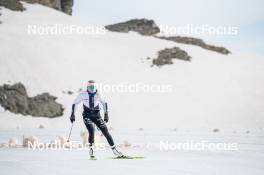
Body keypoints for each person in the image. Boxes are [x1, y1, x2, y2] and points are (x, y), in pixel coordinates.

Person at [70, 80, 123, 159]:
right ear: (87, 87)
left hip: (97, 116)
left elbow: (104, 103)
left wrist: (106, 114)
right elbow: (75, 103)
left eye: (93, 87)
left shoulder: (99, 94)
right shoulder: (83, 94)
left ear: (95, 87)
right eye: (89, 87)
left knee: (105, 131)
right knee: (91, 131)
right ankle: (92, 152)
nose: (91, 89)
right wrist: (72, 114)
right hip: (87, 115)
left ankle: (115, 151)